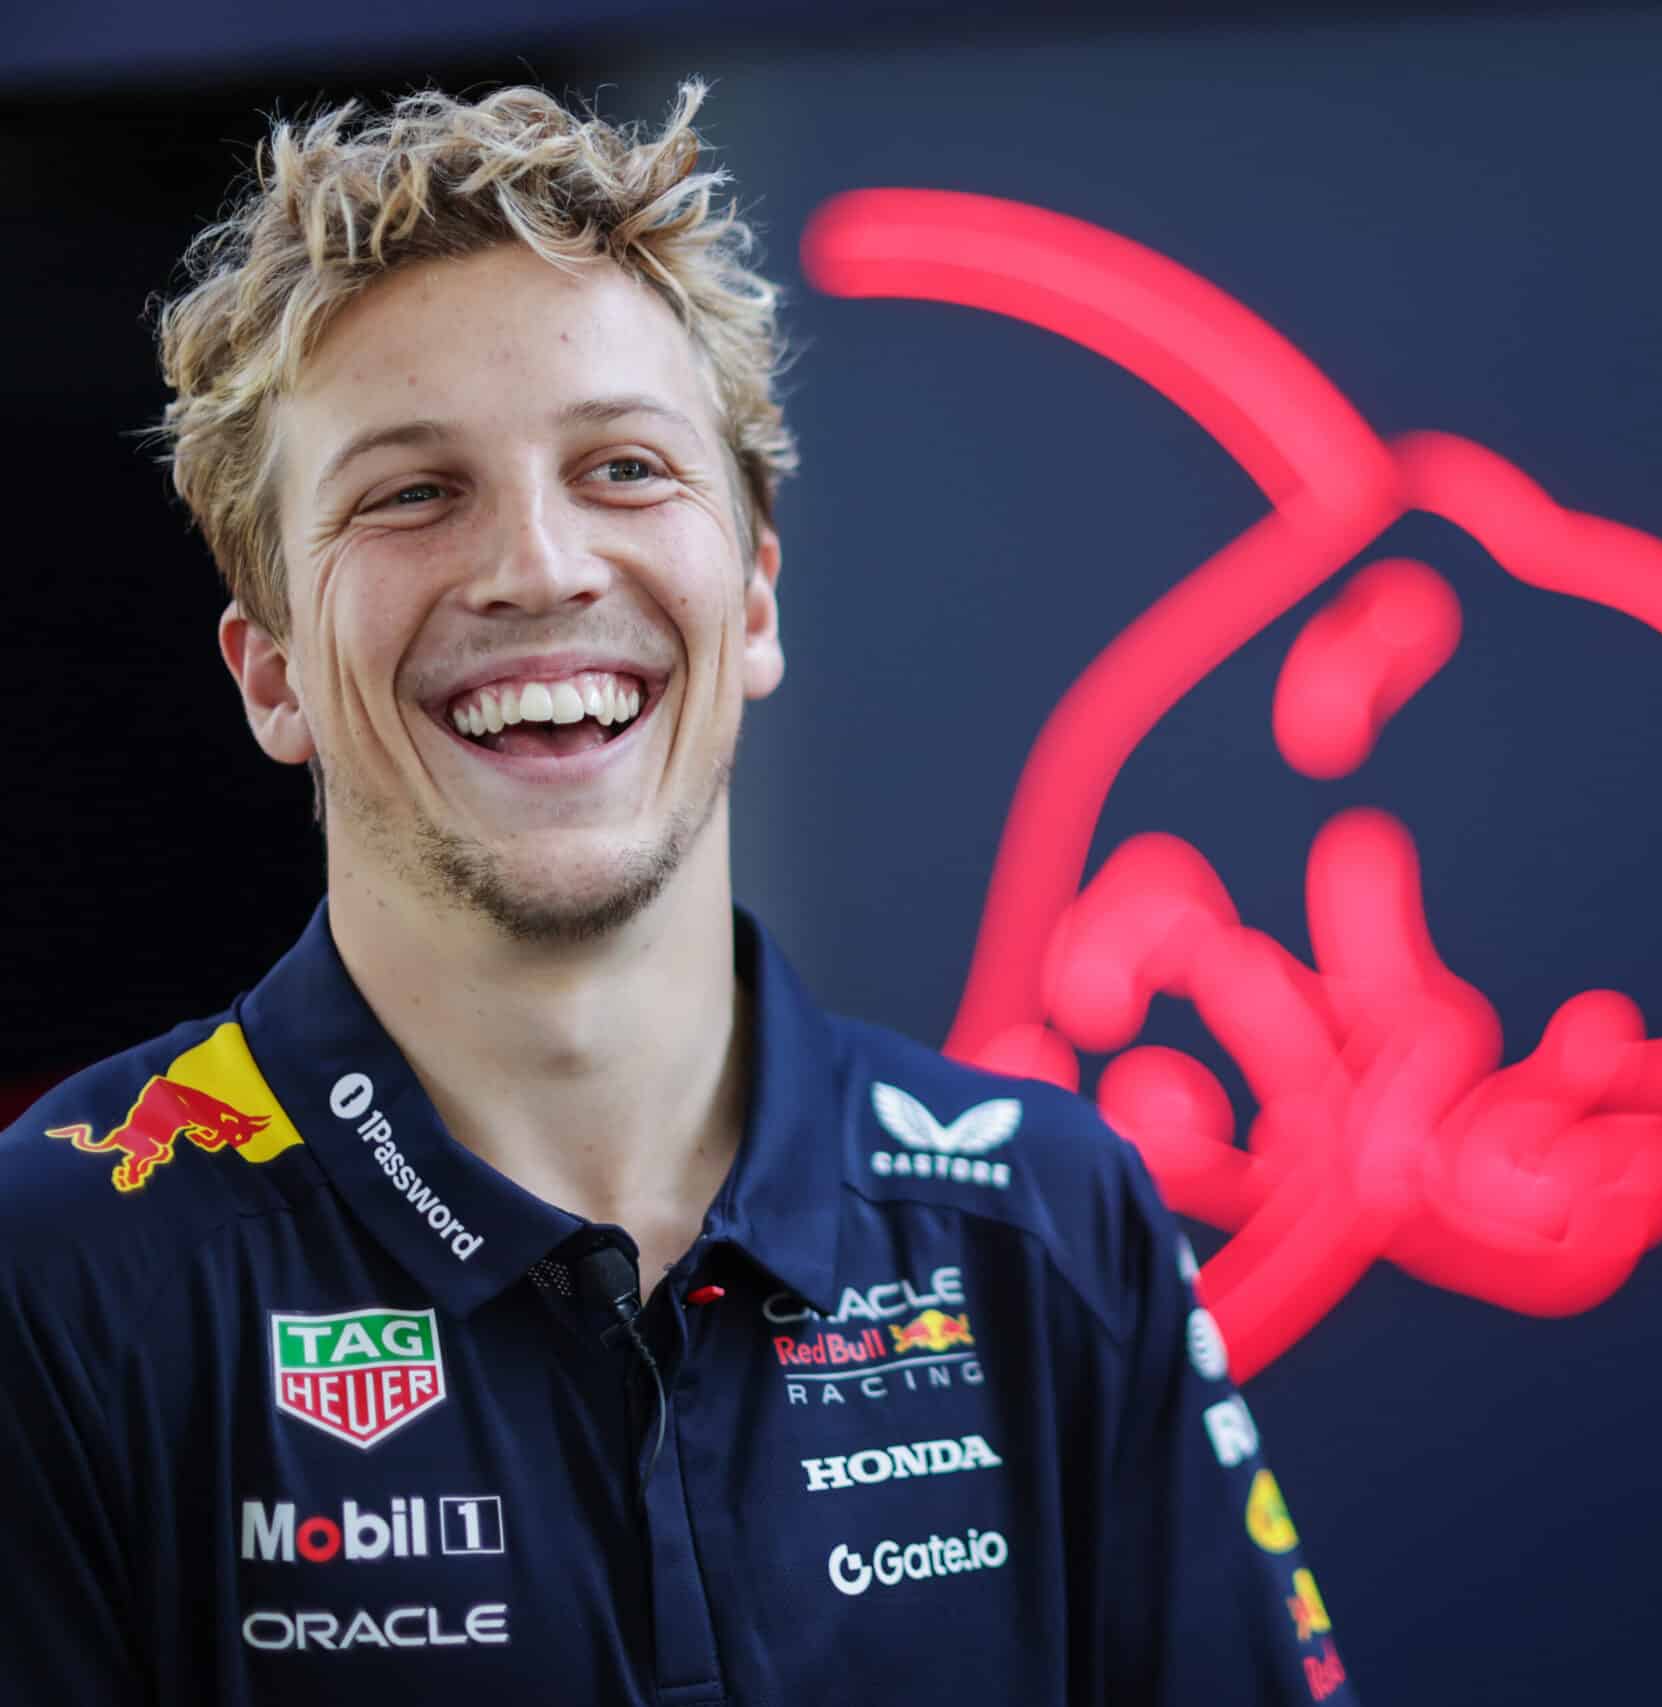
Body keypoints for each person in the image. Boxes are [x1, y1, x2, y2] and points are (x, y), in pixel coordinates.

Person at [0, 80, 1356, 1706]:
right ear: (271, 672)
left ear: (757, 596)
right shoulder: (60, 1266)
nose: (539, 567)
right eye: (411, 492)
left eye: (626, 468)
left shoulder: (1047, 1224)